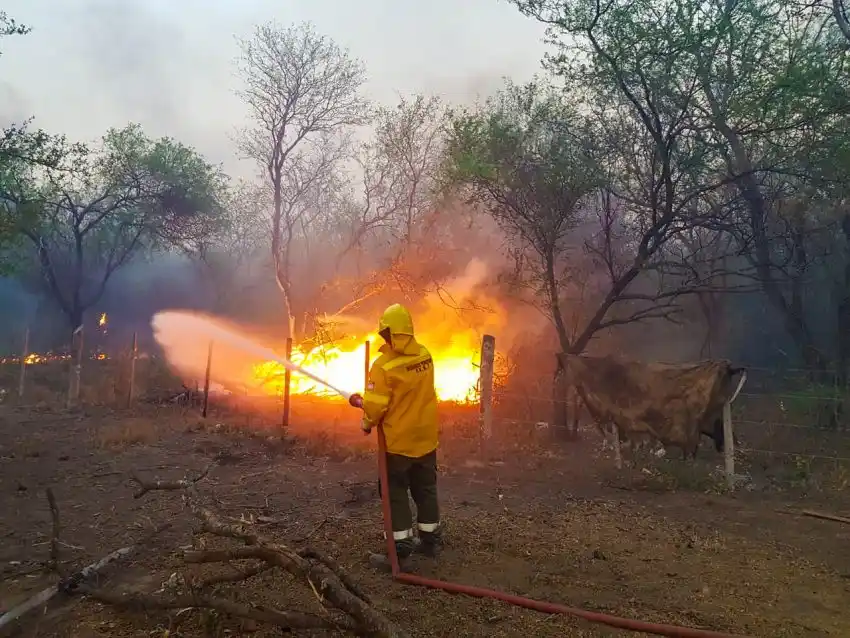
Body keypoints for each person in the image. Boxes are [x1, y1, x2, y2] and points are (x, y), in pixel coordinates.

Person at [348, 303, 442, 570]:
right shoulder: (424, 355)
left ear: (387, 333)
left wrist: (366, 422)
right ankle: (431, 541)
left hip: (398, 443)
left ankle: (399, 551)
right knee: (426, 489)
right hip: (425, 439)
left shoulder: (384, 366)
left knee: (395, 492)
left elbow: (376, 407)